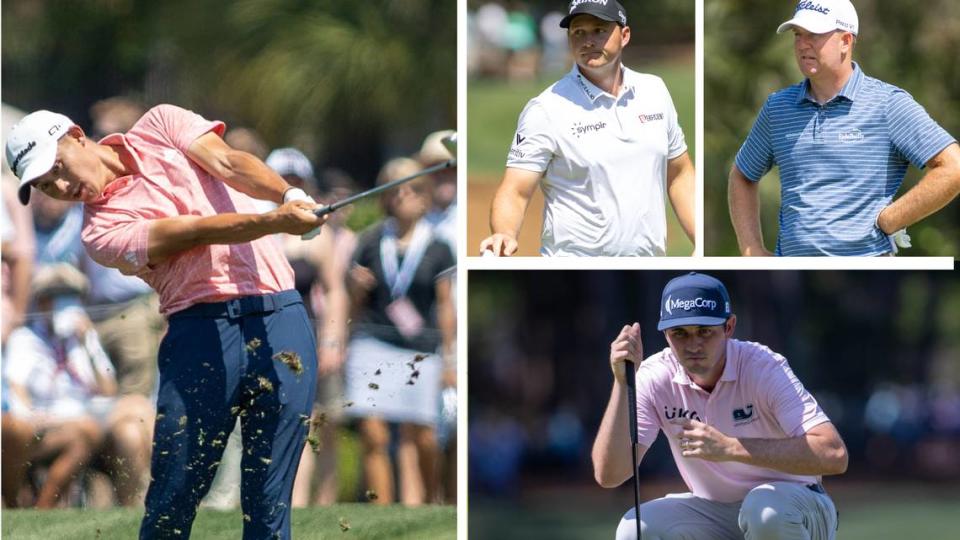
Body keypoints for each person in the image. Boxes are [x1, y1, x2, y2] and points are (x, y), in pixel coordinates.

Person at [6, 104, 326, 538]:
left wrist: (287, 195)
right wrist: (274, 221)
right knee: (174, 498)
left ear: (77, 135)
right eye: (47, 186)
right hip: (201, 333)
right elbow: (196, 230)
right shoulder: (100, 233)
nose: (62, 186)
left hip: (281, 316)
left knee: (269, 502)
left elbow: (228, 162)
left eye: (58, 168)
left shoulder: (160, 123)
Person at [593, 272, 848, 539]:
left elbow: (833, 454)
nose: (694, 345)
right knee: (634, 529)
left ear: (729, 327)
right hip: (714, 512)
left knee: (764, 512)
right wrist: (623, 385)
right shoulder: (655, 375)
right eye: (680, 333)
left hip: (796, 505)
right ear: (666, 334)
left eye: (704, 331)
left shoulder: (763, 367)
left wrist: (730, 447)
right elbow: (609, 475)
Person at [728, 0, 960, 257]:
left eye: (814, 35)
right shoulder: (778, 108)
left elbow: (953, 168)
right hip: (792, 275)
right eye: (798, 35)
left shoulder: (887, 103)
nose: (803, 44)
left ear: (846, 41)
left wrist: (891, 219)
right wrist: (752, 251)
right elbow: (743, 175)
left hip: (866, 271)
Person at [479, 0, 695, 257]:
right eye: (578, 32)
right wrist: (504, 232)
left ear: (624, 35)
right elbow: (515, 190)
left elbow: (680, 172)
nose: (588, 41)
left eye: (599, 30)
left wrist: (699, 240)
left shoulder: (655, 90)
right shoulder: (546, 109)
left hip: (648, 264)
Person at [344, 157, 455, 505]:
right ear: (386, 197)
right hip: (372, 342)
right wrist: (354, 287)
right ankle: (382, 510)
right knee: (373, 432)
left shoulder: (438, 247)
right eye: (396, 189)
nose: (405, 195)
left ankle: (429, 500)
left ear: (425, 196)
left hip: (420, 348)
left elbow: (445, 305)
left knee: (423, 435)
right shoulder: (370, 240)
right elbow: (354, 303)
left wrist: (450, 359)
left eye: (414, 188)